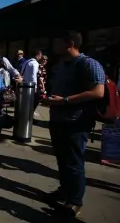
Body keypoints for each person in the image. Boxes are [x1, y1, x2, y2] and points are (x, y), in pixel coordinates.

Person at [41, 30, 106, 219]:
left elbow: (98, 92)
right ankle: (64, 191)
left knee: (74, 163)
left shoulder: (89, 64)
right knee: (62, 160)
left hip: (76, 122)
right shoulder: (61, 65)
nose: (54, 47)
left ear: (69, 43)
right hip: (57, 120)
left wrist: (65, 100)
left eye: (57, 42)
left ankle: (75, 202)